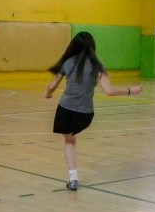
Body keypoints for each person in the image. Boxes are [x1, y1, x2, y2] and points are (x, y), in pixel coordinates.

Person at [45, 31, 143, 190]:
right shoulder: (97, 65)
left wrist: (48, 94)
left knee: (69, 141)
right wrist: (131, 90)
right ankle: (73, 179)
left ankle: (73, 178)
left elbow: (52, 86)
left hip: (65, 111)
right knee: (73, 137)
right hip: (85, 115)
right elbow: (109, 91)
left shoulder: (68, 62)